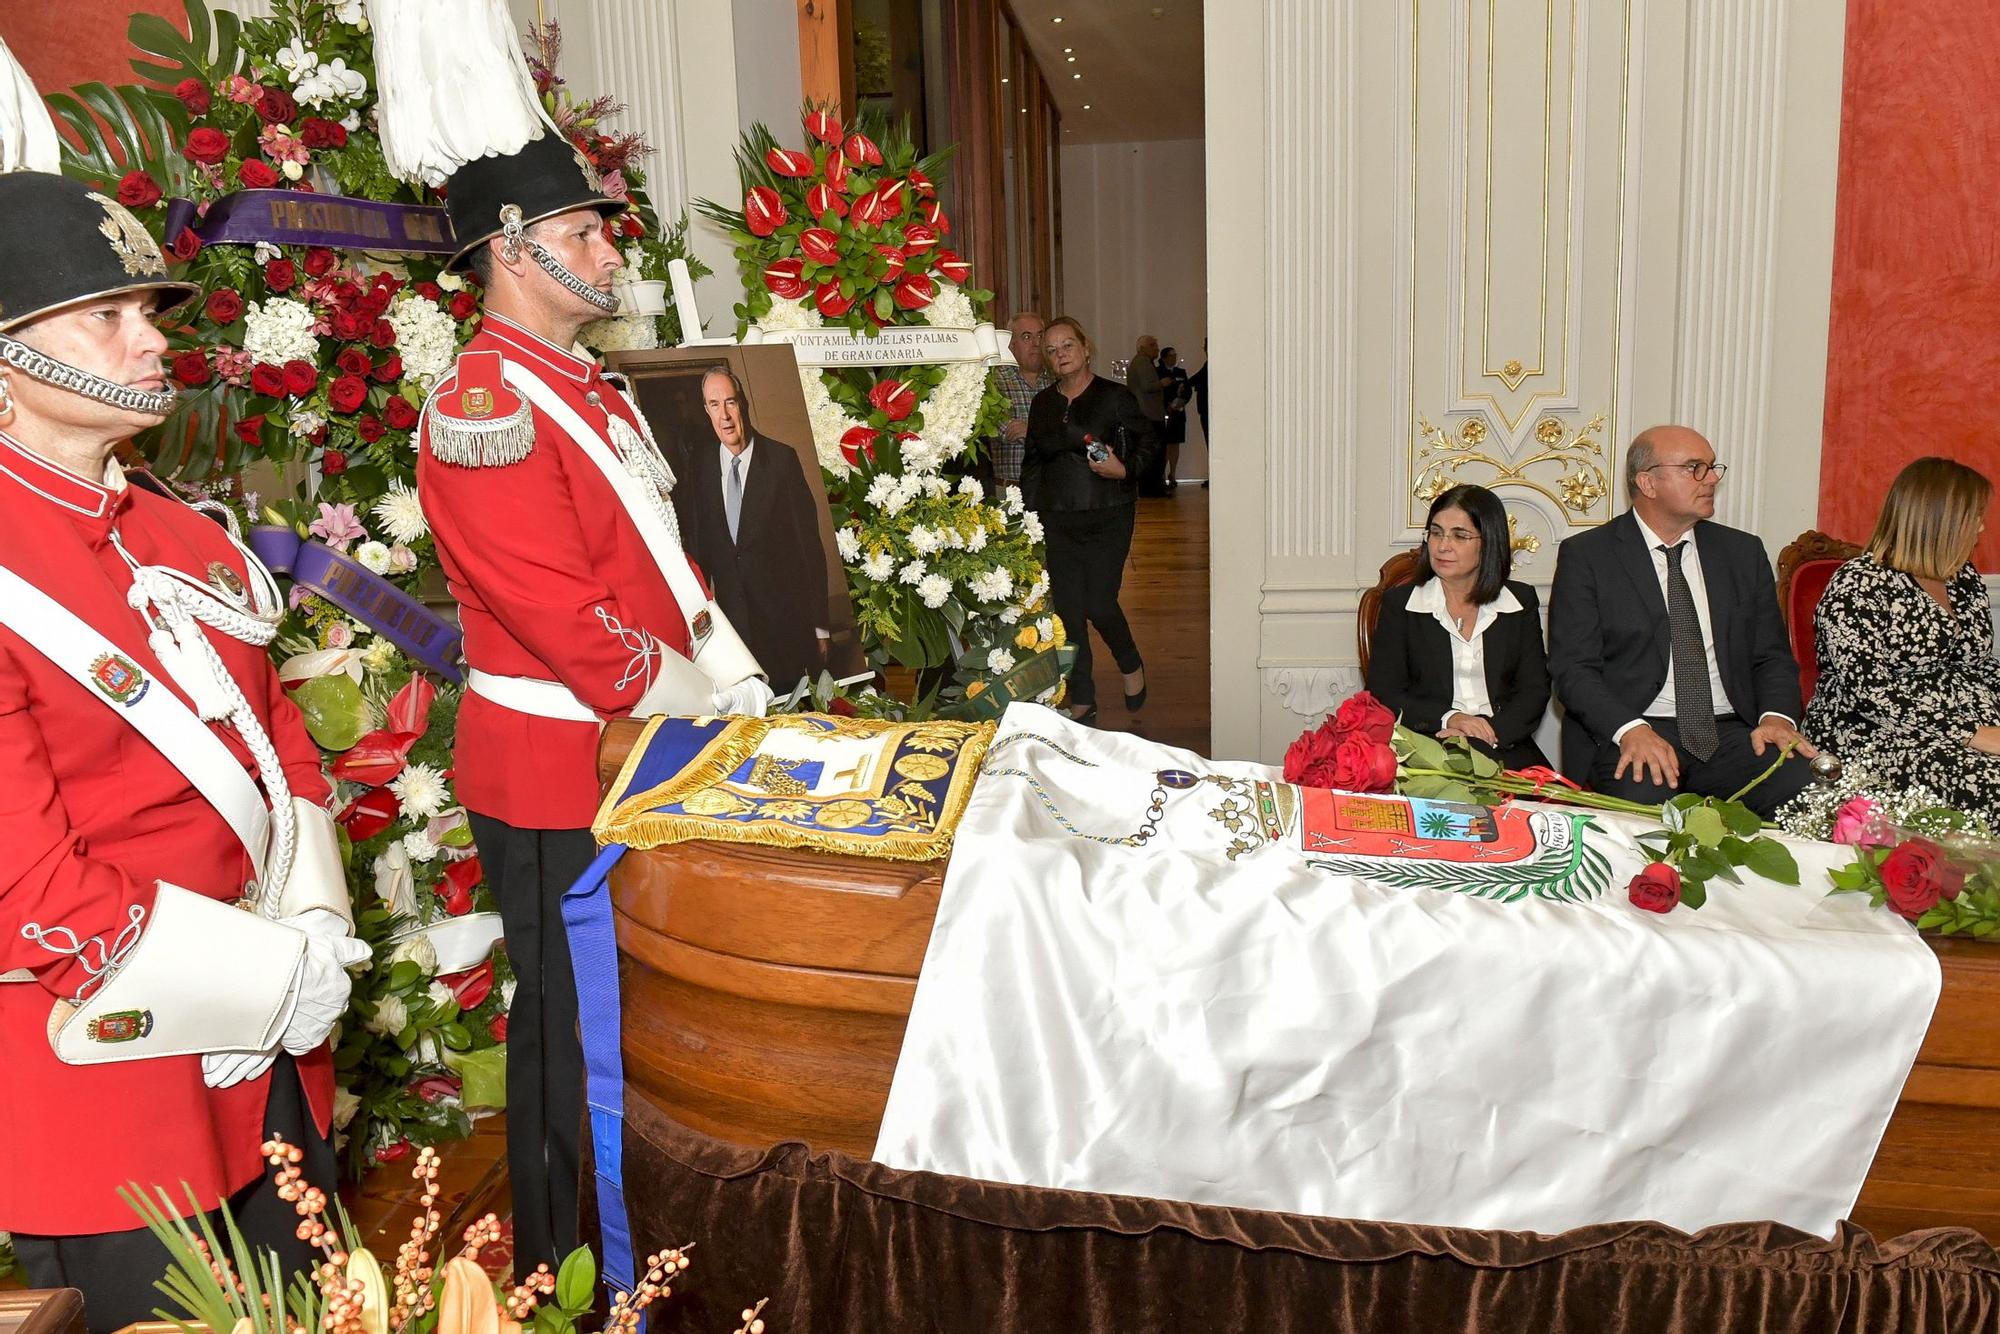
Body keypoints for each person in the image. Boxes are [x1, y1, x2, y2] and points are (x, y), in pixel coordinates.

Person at [375, 14, 774, 1274]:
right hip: (565, 764)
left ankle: (633, 1235)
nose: (611, 249)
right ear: (512, 251)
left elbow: (659, 565)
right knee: (568, 1029)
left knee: (636, 1019)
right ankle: (571, 1268)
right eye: (587, 232)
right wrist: (702, 700)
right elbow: (567, 621)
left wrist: (734, 665)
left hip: (639, 740)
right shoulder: (482, 402)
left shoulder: (581, 380)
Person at [0, 165, 366, 1328]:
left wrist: (314, 923)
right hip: (113, 1071)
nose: (149, 342)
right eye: (105, 316)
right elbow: (26, 887)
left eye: (148, 312)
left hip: (274, 1048)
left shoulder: (171, 527)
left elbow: (278, 740)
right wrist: (262, 982)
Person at [1547, 425, 1816, 817]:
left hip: (1730, 730)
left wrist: (1776, 717)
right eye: (1695, 468)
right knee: (1641, 814)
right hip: (1636, 727)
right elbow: (1573, 670)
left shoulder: (1741, 552)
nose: (1711, 479)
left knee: (1806, 786)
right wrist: (1630, 730)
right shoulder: (1588, 556)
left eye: (1711, 467)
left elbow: (1771, 656)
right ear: (1647, 482)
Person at [1805, 457, 2000, 822]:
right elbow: (1870, 691)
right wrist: (1971, 734)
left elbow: (1978, 663)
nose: (1982, 526)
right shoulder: (1860, 583)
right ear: (1940, 520)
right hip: (1876, 733)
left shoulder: (1963, 577)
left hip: (1966, 726)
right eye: (1974, 516)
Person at [1024, 317, 1158, 723]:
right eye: (1052, 350)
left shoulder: (1115, 397)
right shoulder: (1043, 403)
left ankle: (1130, 660)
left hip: (1108, 514)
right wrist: (1029, 514)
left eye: (1067, 346)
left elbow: (1149, 442)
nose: (1060, 354)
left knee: (1099, 603)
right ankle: (1082, 695)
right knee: (1067, 610)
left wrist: (1125, 469)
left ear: (1085, 348)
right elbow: (1033, 461)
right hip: (1056, 519)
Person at [674, 365, 832, 696]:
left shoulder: (781, 460)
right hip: (732, 636)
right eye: (715, 405)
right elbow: (700, 552)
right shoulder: (700, 467)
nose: (725, 416)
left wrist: (819, 626)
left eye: (730, 402)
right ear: (706, 410)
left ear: (742, 403)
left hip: (785, 628)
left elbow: (809, 548)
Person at [1367, 485, 1550, 770]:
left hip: (1502, 743)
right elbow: (1384, 692)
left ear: (1489, 542)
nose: (1442, 546)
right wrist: (1450, 718)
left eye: (1459, 535)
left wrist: (1488, 733)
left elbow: (1534, 690)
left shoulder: (1519, 601)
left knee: (1549, 813)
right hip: (1427, 745)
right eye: (1436, 533)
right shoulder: (1401, 605)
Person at [989, 311, 1046, 490]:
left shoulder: (1057, 381)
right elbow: (1002, 429)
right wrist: (1047, 434)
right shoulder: (995, 381)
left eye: (1040, 336)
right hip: (1009, 490)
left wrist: (1030, 431)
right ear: (1012, 345)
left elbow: (1066, 433)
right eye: (1027, 337)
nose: (1036, 344)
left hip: (1050, 490)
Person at [1125, 335, 1169, 497]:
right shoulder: (1143, 362)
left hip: (1146, 413)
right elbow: (1147, 385)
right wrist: (1162, 383)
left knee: (1150, 453)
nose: (1156, 349)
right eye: (1153, 345)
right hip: (1150, 414)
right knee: (1154, 453)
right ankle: (1152, 489)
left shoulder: (1139, 362)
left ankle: (1150, 488)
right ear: (1143, 348)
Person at [1157, 346, 1190, 489]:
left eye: (1175, 355)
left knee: (1175, 444)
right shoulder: (1158, 372)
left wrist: (1180, 402)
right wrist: (1167, 405)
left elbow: (1187, 390)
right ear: (1164, 357)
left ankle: (1173, 474)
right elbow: (1156, 392)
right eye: (1171, 355)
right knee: (1164, 445)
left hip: (1178, 413)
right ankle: (1161, 475)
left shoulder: (1181, 372)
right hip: (1164, 412)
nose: (1174, 357)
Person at [1189, 341, 1209, 489]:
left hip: (1207, 410)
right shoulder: (1208, 364)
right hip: (1206, 410)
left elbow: (1196, 379)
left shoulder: (1210, 364)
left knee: (1211, 442)